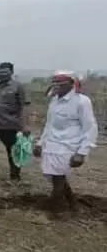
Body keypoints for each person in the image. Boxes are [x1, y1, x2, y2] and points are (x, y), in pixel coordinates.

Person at [34, 70, 97, 211]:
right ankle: (73, 204)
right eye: (54, 84)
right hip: (52, 144)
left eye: (60, 84)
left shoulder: (82, 102)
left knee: (58, 178)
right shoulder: (54, 101)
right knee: (56, 177)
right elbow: (49, 125)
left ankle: (55, 209)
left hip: (69, 146)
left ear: (71, 84)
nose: (56, 87)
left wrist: (82, 152)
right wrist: (40, 143)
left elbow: (90, 128)